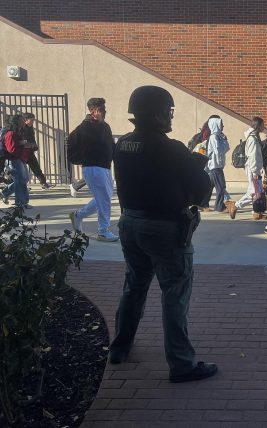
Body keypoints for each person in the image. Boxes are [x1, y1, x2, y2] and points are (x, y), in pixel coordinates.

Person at [109, 85, 217, 383]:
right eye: (168, 112)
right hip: (164, 230)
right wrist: (196, 165)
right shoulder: (170, 148)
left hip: (130, 224)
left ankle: (119, 347)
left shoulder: (123, 144)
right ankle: (182, 364)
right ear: (157, 115)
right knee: (175, 295)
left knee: (134, 287)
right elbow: (201, 191)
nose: (171, 117)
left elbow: (146, 176)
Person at [67, 98, 118, 241]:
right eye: (102, 110)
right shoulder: (84, 128)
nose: (105, 112)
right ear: (93, 111)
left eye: (105, 110)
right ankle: (103, 231)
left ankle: (78, 215)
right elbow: (72, 148)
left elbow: (110, 147)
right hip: (93, 168)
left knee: (103, 198)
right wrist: (82, 159)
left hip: (105, 168)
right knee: (104, 200)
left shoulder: (105, 127)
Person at [226, 117, 267, 220]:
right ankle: (235, 205)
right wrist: (255, 171)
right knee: (254, 192)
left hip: (254, 168)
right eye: (262, 124)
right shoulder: (252, 139)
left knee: (256, 191)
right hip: (253, 168)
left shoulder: (254, 137)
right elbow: (253, 156)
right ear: (258, 126)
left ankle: (256, 212)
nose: (264, 127)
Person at [1, 114, 32, 208]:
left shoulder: (17, 132)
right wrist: (23, 145)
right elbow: (11, 149)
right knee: (21, 180)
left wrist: (21, 144)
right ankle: (21, 202)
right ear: (16, 122)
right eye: (21, 120)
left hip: (19, 159)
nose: (23, 122)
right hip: (13, 160)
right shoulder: (10, 133)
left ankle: (5, 193)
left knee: (24, 179)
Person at [205, 116, 230, 213]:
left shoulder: (219, 136)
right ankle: (219, 207)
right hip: (215, 166)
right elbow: (218, 150)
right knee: (221, 186)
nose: (222, 126)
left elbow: (224, 149)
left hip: (217, 165)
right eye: (220, 124)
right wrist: (225, 143)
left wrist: (224, 142)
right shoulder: (214, 137)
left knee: (210, 185)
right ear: (215, 125)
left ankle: (202, 203)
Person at [22, 113, 53, 189]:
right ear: (26, 120)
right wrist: (29, 144)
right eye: (31, 120)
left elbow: (32, 137)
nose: (33, 121)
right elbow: (22, 140)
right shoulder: (21, 128)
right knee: (22, 170)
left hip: (30, 152)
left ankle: (44, 183)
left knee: (36, 167)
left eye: (33, 120)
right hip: (23, 152)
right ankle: (23, 186)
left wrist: (34, 145)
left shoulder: (30, 127)